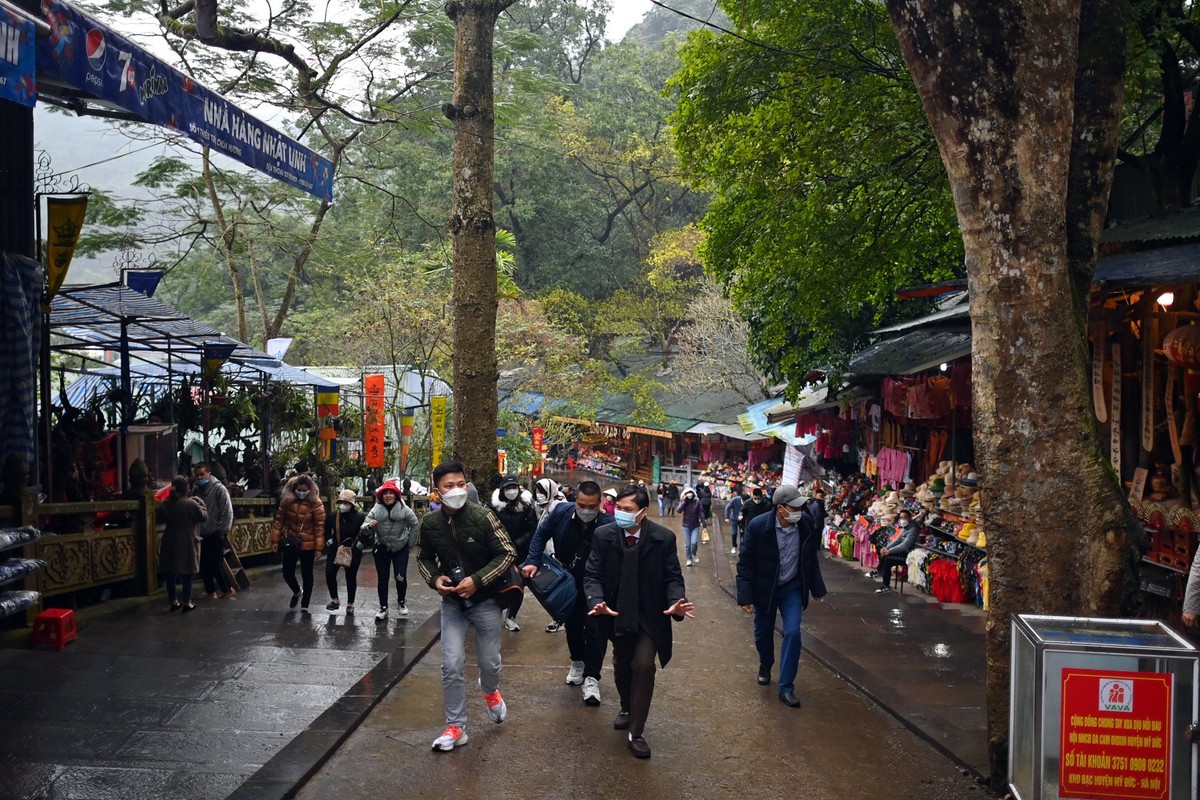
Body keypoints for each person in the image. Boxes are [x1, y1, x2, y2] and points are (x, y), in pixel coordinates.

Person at [585, 485, 695, 758]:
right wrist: (596, 600)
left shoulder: (663, 538)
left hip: (650, 616)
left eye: (628, 510)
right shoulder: (603, 535)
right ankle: (626, 707)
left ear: (643, 512)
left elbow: (673, 577)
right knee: (622, 666)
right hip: (616, 612)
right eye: (618, 509)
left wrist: (675, 601)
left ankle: (636, 732)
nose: (621, 514)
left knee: (643, 665)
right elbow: (592, 574)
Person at [417, 461, 517, 752]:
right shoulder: (429, 524)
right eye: (449, 486)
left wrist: (476, 580)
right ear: (437, 491)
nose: (457, 490)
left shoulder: (483, 516)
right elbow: (422, 557)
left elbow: (507, 552)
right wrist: (435, 580)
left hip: (485, 601)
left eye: (461, 484)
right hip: (452, 604)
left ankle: (490, 692)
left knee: (490, 662)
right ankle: (456, 727)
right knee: (451, 664)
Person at [523, 480, 613, 705]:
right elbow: (540, 535)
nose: (585, 510)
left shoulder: (608, 523)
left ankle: (592, 677)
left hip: (596, 584)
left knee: (595, 629)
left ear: (599, 503)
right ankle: (577, 662)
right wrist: (532, 561)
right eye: (581, 504)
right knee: (572, 625)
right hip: (568, 581)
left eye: (591, 506)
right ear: (575, 500)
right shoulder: (561, 513)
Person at [736, 484, 827, 708]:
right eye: (793, 507)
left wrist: (817, 589)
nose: (798, 511)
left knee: (793, 632)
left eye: (800, 506)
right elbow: (745, 563)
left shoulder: (805, 524)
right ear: (780, 508)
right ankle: (765, 664)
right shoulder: (758, 527)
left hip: (791, 587)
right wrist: (745, 596)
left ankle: (786, 687)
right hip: (765, 588)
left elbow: (810, 559)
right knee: (762, 632)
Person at [364, 480, 420, 621]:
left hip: (400, 547)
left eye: (391, 493)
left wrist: (410, 543)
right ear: (381, 496)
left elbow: (415, 524)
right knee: (382, 578)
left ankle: (401, 602)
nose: (388, 496)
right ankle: (383, 607)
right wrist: (369, 526)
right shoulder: (375, 510)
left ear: (396, 495)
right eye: (385, 493)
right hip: (382, 547)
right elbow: (363, 527)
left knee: (400, 576)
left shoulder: (404, 509)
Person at [270, 474, 326, 613]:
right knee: (287, 573)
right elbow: (279, 521)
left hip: (308, 543)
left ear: (310, 489)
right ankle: (296, 591)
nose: (301, 493)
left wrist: (319, 548)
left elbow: (319, 527)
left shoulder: (316, 504)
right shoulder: (287, 501)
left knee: (307, 574)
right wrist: (275, 540)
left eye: (304, 490)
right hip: (290, 541)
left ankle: (305, 604)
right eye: (299, 490)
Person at [491, 474, 538, 631]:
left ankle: (511, 616)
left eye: (514, 487)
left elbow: (532, 529)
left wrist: (518, 543)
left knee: (519, 585)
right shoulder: (495, 508)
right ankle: (495, 612)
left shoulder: (526, 507)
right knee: (497, 583)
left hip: (521, 552)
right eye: (508, 488)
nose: (511, 491)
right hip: (499, 552)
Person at [158, 475, 206, 613]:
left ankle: (173, 601)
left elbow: (160, 519)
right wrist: (199, 501)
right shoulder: (191, 504)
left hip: (170, 540)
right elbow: (203, 516)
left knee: (171, 574)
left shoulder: (166, 504)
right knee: (187, 574)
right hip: (188, 541)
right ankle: (187, 602)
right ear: (187, 489)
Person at [192, 462, 235, 600]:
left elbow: (226, 511)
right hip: (201, 532)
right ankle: (211, 591)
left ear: (209, 474)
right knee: (204, 565)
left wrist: (223, 530)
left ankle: (227, 589)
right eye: (197, 475)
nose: (199, 478)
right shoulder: (195, 490)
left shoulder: (219, 489)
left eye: (202, 475)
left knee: (216, 564)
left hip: (216, 532)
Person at [324, 489, 366, 613]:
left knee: (351, 576)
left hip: (352, 550)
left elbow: (365, 533)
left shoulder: (359, 517)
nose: (343, 505)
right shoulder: (333, 515)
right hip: (335, 548)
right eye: (341, 502)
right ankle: (335, 599)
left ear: (352, 504)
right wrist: (329, 543)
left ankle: (350, 603)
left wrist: (359, 545)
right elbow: (326, 531)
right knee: (330, 572)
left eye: (346, 502)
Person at [875, 509, 919, 593]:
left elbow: (905, 545)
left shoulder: (913, 529)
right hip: (904, 552)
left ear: (910, 518)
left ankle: (885, 584)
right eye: (901, 518)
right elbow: (897, 540)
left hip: (909, 555)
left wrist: (889, 551)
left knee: (888, 559)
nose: (902, 520)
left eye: (904, 518)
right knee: (885, 555)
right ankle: (879, 572)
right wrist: (886, 548)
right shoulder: (906, 527)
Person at [677, 487, 707, 567]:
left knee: (694, 542)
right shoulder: (684, 502)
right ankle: (689, 559)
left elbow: (701, 512)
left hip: (695, 525)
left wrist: (703, 521)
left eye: (691, 493)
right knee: (687, 545)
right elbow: (678, 510)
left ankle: (694, 554)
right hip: (686, 526)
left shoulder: (697, 502)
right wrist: (684, 501)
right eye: (688, 493)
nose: (689, 495)